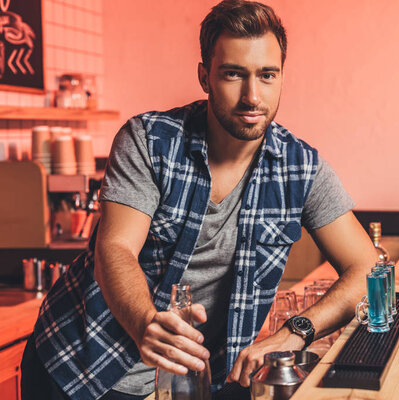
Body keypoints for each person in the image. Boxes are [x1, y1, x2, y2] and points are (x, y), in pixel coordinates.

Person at [21, 1, 377, 399]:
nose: (252, 96)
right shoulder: (147, 140)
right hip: (80, 367)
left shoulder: (302, 168)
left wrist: (296, 333)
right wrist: (144, 323)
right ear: (204, 76)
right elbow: (115, 248)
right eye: (232, 74)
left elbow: (367, 267)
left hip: (191, 381)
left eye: (267, 75)